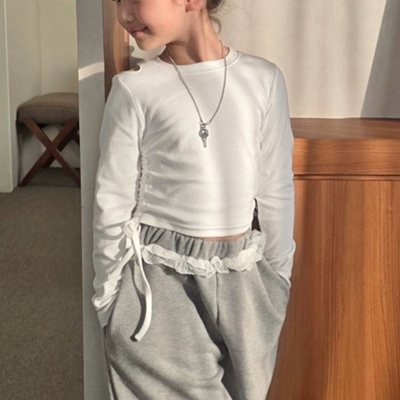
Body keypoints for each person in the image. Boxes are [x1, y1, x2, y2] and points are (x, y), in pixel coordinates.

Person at [92, 0, 296, 399]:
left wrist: (277, 281)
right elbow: (111, 199)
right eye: (118, 1)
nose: (124, 14)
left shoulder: (262, 79)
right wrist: (108, 298)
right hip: (160, 283)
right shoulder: (135, 89)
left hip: (245, 281)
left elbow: (275, 188)